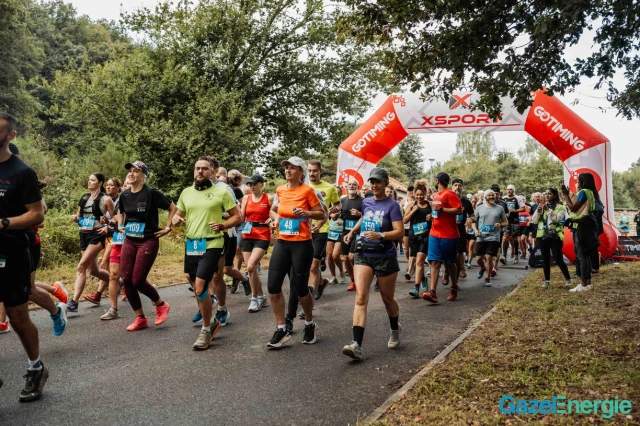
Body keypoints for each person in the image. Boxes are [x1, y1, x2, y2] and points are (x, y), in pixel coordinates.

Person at [0, 112, 49, 402]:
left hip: (12, 251)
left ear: (10, 136)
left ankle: (36, 367)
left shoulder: (21, 172)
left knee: (18, 317)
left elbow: (37, 214)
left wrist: (3, 223)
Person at [173, 157, 239, 349]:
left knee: (201, 287)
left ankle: (206, 329)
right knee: (194, 285)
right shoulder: (186, 192)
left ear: (212, 172)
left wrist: (222, 225)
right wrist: (177, 219)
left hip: (213, 243)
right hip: (192, 244)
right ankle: (211, 319)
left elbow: (238, 217)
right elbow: (180, 213)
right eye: (197, 168)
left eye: (204, 169)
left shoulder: (221, 192)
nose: (200, 172)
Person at [342, 167, 404, 360]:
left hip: (385, 256)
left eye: (378, 182)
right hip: (364, 253)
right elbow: (363, 217)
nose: (374, 185)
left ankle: (394, 329)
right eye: (372, 182)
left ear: (386, 184)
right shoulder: (367, 201)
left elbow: (399, 232)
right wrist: (352, 232)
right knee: (361, 297)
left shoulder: (393, 206)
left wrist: (381, 235)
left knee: (387, 299)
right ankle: (356, 345)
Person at [266, 157, 324, 347]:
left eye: (293, 168)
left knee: (299, 288)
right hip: (283, 242)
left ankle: (309, 324)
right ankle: (281, 328)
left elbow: (321, 214)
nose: (288, 171)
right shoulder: (280, 190)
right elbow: (274, 210)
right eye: (287, 168)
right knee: (273, 286)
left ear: (301, 172)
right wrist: (275, 219)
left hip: (302, 244)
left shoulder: (308, 191)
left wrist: (306, 213)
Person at [116, 160, 176, 330]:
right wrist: (120, 224)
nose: (131, 173)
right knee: (126, 280)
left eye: (136, 171)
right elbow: (120, 210)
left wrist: (167, 227)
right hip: (129, 239)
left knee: (138, 280)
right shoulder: (125, 195)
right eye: (130, 171)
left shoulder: (151, 193)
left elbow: (172, 207)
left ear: (143, 176)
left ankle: (161, 304)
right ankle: (140, 318)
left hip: (148, 240)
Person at [67, 173, 114, 312]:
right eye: (88, 180)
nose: (89, 182)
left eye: (92, 180)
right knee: (93, 270)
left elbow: (115, 220)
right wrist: (75, 218)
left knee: (81, 266)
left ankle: (74, 302)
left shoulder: (106, 200)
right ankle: (118, 281)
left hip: (97, 235)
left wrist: (107, 226)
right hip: (84, 234)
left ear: (100, 183)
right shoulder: (84, 198)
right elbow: (79, 216)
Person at [423, 172, 463, 303]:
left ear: (437, 181)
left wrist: (442, 210)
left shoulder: (450, 194)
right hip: (434, 233)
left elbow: (459, 210)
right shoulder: (436, 195)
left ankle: (454, 286)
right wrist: (432, 215)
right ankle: (432, 292)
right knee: (434, 262)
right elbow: (436, 210)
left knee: (449, 262)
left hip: (449, 235)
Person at [84, 177, 123, 305]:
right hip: (105, 237)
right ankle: (123, 284)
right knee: (110, 267)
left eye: (112, 185)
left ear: (118, 187)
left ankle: (99, 294)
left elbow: (115, 219)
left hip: (116, 236)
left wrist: (108, 225)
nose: (108, 187)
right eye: (107, 185)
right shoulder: (103, 199)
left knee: (107, 265)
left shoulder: (120, 200)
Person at [307, 160, 340, 300]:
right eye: (309, 170)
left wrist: (335, 209)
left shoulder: (329, 188)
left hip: (322, 230)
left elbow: (338, 204)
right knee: (309, 264)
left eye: (314, 170)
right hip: (303, 230)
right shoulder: (302, 185)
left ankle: (309, 299)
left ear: (320, 171)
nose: (312, 173)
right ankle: (321, 282)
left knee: (314, 266)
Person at [562, 173, 601, 292]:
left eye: (578, 180)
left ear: (583, 181)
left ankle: (583, 284)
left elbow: (573, 208)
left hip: (581, 226)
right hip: (587, 224)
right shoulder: (590, 192)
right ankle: (587, 282)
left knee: (581, 255)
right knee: (586, 254)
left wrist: (565, 195)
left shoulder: (584, 192)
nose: (577, 182)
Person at [240, 174, 272, 312]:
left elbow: (276, 213)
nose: (251, 187)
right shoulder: (246, 198)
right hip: (247, 234)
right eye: (249, 184)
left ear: (261, 184)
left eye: (254, 184)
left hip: (262, 235)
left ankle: (254, 299)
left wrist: (272, 221)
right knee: (250, 269)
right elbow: (241, 217)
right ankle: (261, 296)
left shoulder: (269, 198)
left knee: (252, 266)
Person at [532, 187, 572, 288]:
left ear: (554, 195)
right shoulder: (541, 206)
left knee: (558, 258)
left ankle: (568, 279)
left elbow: (558, 219)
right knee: (545, 259)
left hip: (555, 236)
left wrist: (548, 210)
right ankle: (547, 280)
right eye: (546, 194)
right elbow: (534, 221)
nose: (547, 195)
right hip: (542, 236)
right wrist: (538, 211)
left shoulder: (561, 207)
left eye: (549, 194)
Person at [471, 190, 507, 286]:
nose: (491, 196)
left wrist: (500, 225)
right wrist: (475, 230)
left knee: (489, 257)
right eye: (489, 195)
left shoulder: (499, 208)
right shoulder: (479, 208)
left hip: (494, 237)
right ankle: (483, 267)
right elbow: (473, 221)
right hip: (481, 236)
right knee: (479, 259)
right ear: (485, 197)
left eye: (493, 195)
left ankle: (487, 277)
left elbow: (505, 222)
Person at [404, 179, 432, 298]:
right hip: (413, 235)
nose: (419, 197)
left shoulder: (430, 205)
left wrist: (431, 218)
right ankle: (423, 278)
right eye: (417, 194)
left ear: (425, 194)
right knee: (416, 261)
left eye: (422, 194)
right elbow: (404, 220)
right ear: (414, 194)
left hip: (425, 236)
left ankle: (416, 287)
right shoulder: (411, 205)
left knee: (420, 261)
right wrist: (412, 212)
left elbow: (437, 220)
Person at [340, 178, 363, 292]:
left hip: (358, 233)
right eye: (350, 184)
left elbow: (367, 215)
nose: (352, 186)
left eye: (354, 184)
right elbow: (340, 216)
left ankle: (360, 279)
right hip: (345, 233)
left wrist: (360, 213)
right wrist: (335, 216)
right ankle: (354, 281)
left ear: (357, 187)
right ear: (346, 187)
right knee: (345, 258)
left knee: (351, 256)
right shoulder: (343, 201)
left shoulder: (362, 201)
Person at [501, 184, 525, 263]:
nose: (509, 191)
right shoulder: (504, 198)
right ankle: (504, 256)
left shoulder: (517, 198)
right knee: (505, 237)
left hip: (515, 220)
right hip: (506, 220)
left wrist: (515, 210)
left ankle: (516, 255)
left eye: (511, 189)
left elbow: (523, 209)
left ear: (514, 190)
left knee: (514, 238)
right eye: (508, 189)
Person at [327, 190, 346, 285]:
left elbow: (349, 217)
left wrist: (343, 222)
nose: (336, 194)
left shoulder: (344, 204)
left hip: (340, 232)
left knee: (335, 255)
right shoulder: (328, 204)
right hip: (330, 232)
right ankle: (333, 276)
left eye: (338, 193)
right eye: (334, 192)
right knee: (329, 256)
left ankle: (342, 272)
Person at [402, 184, 415, 280]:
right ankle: (410, 263)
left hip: (414, 228)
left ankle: (410, 268)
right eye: (409, 190)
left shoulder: (418, 202)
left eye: (412, 190)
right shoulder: (403, 202)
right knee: (406, 250)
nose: (411, 192)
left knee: (411, 250)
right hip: (405, 227)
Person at [517, 195, 531, 261]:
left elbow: (532, 215)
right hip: (518, 225)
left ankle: (525, 252)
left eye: (523, 199)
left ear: (525, 200)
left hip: (526, 226)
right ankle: (523, 253)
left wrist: (529, 220)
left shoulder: (528, 208)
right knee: (519, 240)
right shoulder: (517, 208)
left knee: (523, 239)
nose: (522, 200)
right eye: (521, 199)